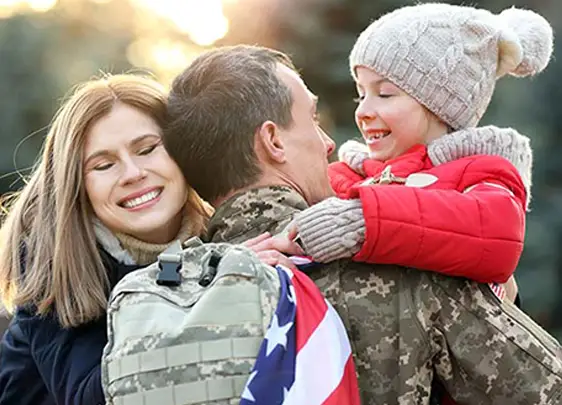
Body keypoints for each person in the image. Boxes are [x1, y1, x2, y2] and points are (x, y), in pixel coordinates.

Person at [162, 44, 562, 404]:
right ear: (274, 141)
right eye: (312, 120)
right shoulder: (404, 266)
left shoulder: (171, 288)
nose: (328, 143)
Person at [0, 74, 300, 405]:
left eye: (147, 149)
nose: (132, 173)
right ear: (78, 186)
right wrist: (215, 278)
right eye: (103, 165)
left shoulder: (221, 232)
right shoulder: (52, 264)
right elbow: (94, 396)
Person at [291, 3, 553, 306]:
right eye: (360, 94)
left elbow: (495, 232)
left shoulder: (483, 172)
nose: (362, 111)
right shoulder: (347, 174)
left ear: (441, 107)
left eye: (385, 94)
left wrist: (362, 221)